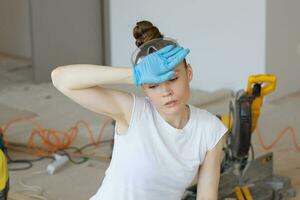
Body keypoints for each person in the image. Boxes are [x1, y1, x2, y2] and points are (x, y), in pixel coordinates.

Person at [51, 20, 228, 200]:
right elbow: (60, 79)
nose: (166, 91)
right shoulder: (133, 112)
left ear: (189, 73)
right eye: (153, 85)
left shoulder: (210, 129)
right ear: (143, 87)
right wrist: (134, 74)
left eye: (173, 78)